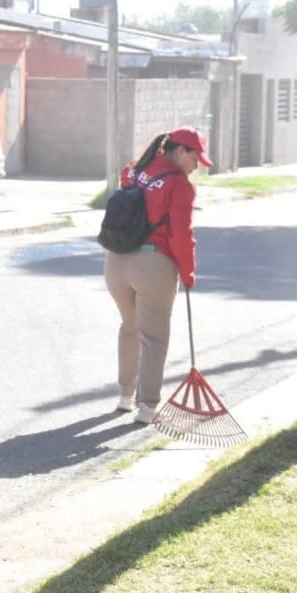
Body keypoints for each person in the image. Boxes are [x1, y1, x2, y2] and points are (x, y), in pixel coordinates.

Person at [103, 127, 211, 423]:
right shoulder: (179, 186)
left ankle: (125, 397)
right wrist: (188, 273)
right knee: (154, 338)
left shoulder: (133, 170)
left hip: (115, 263)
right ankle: (147, 408)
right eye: (195, 157)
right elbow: (180, 236)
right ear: (179, 152)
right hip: (152, 266)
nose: (196, 165)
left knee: (130, 326)